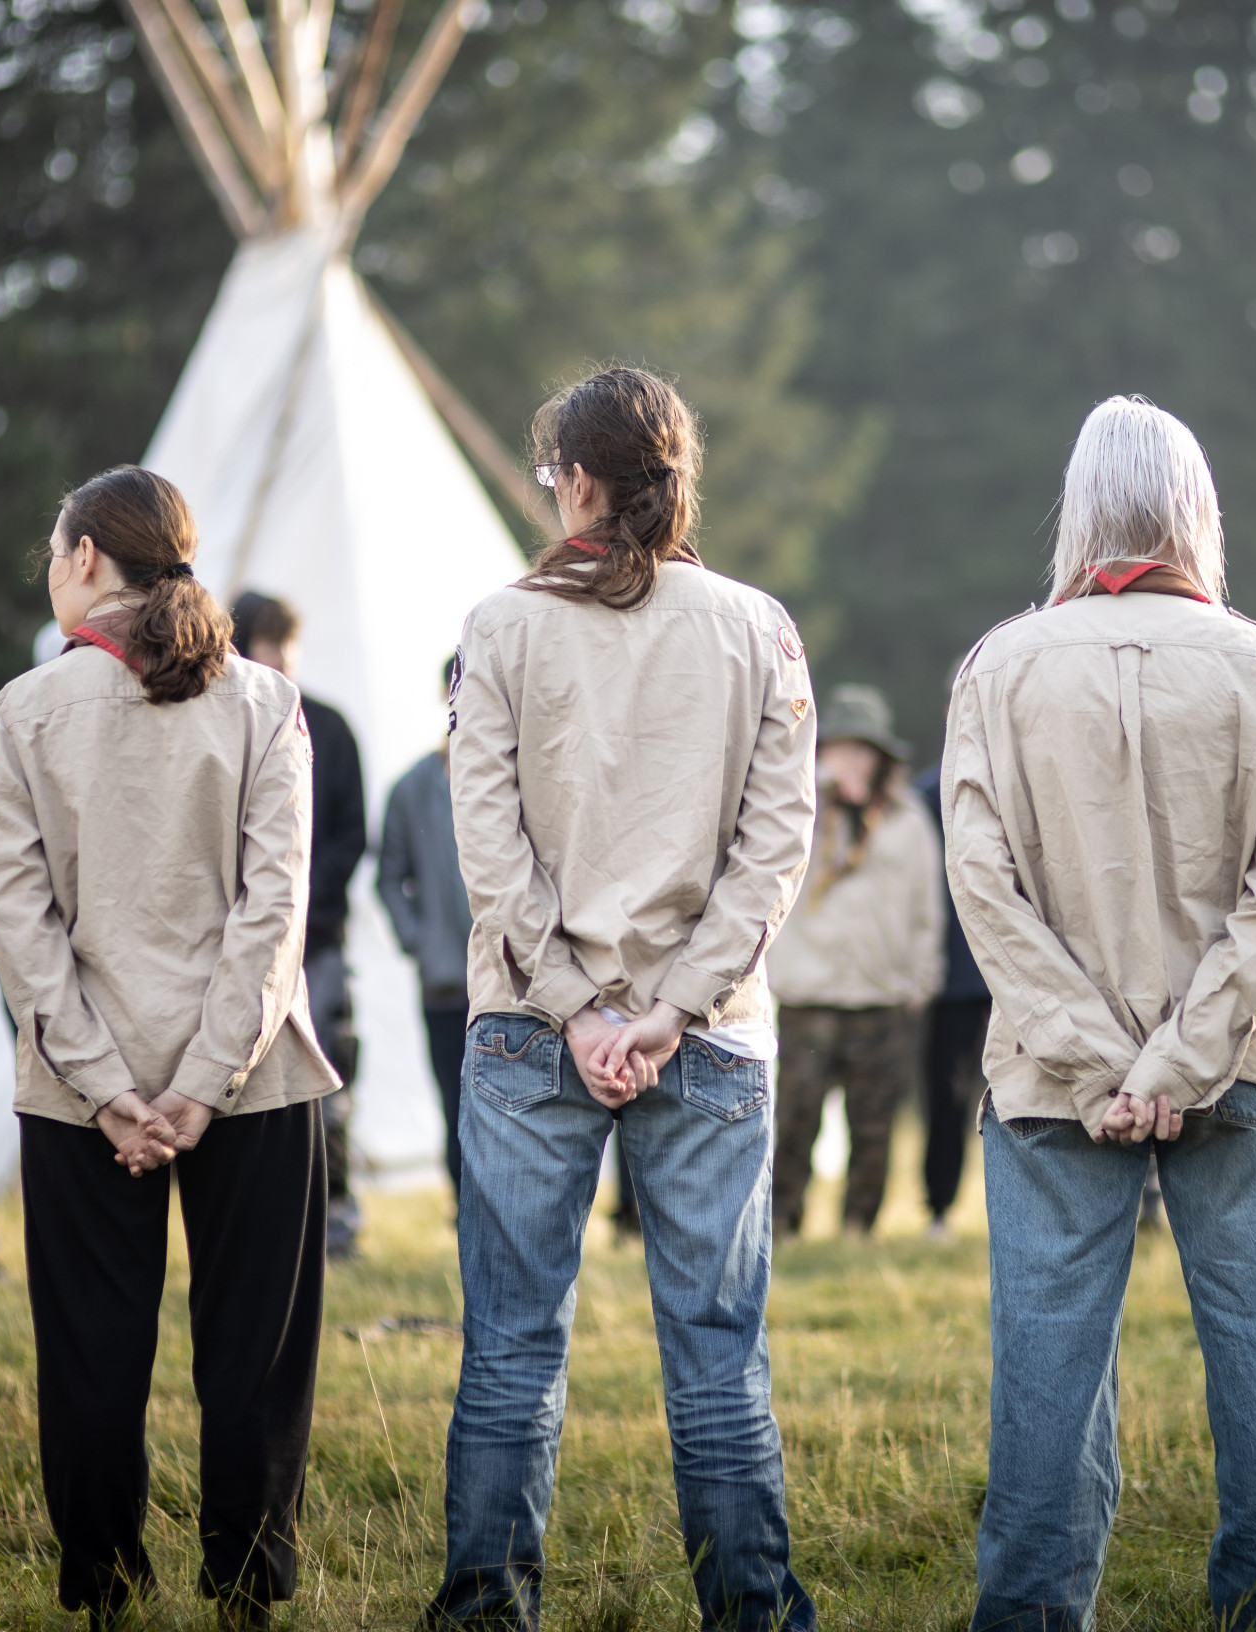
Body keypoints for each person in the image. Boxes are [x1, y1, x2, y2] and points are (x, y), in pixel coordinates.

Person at [943, 397, 1256, 1632]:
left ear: (1079, 508)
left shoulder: (998, 665)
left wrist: (1101, 1062)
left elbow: (984, 891)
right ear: (1197, 509)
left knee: (1043, 1396)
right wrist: (1176, 1066)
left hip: (1051, 1084)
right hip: (1242, 1069)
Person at [429, 367, 818, 1630]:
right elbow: (777, 846)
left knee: (511, 1349)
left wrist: (577, 1004)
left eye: (554, 477)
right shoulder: (759, 626)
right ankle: (751, 1614)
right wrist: (673, 1005)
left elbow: (488, 849)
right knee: (718, 1361)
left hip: (531, 1028)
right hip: (707, 1036)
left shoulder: (499, 627)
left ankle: (487, 1610)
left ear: (581, 483)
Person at [0, 467, 342, 1630]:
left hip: (83, 1085)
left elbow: (20, 931)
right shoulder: (264, 701)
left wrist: (107, 1087)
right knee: (253, 1349)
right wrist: (198, 1087)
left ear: (86, 557)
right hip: (252, 1077)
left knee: (90, 1351)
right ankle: (247, 1587)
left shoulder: (22, 710)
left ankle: (103, 1590)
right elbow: (274, 916)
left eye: (53, 546)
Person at [767, 682, 943, 1237]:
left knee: (875, 1124)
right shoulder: (796, 815)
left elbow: (928, 904)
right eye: (839, 747)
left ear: (882, 757)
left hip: (882, 997)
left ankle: (858, 1230)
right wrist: (816, 792)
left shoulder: (908, 820)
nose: (852, 759)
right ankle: (782, 1224)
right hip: (807, 994)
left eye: (863, 749)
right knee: (795, 1118)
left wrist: (921, 979)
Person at [231, 588, 368, 1259]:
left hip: (320, 943)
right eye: (267, 641)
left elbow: (350, 835)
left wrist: (300, 900)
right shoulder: (232, 723)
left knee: (334, 1078)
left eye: (288, 641)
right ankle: (271, 1217)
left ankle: (338, 1211)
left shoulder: (333, 727)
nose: (280, 654)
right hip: (249, 946)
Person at [378, 654, 475, 1196]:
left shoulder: (523, 776)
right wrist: (419, 941)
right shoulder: (412, 787)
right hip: (444, 981)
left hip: (515, 985)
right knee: (452, 1097)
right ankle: (465, 1210)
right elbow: (388, 877)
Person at [911, 752, 991, 1237]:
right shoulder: (925, 795)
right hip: (954, 970)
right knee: (948, 1091)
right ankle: (940, 1206)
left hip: (1020, 967)